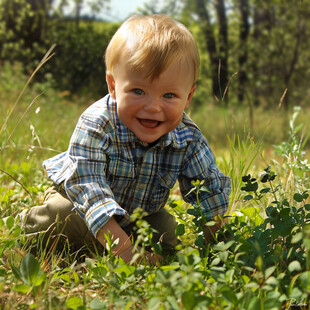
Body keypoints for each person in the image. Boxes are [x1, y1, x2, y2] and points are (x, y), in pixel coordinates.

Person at [22, 14, 230, 265]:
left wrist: (219, 249)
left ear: (188, 97)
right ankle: (34, 221)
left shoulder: (188, 138)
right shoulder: (97, 124)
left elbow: (209, 192)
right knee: (61, 217)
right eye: (138, 91)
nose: (153, 107)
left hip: (139, 216)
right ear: (113, 85)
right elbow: (90, 190)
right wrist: (127, 254)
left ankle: (104, 247)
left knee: (168, 231)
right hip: (83, 205)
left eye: (169, 95)